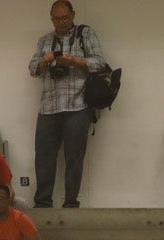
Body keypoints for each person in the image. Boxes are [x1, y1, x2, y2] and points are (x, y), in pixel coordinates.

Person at [28, 1, 108, 210]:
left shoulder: (85, 34)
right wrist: (45, 61)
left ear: (73, 15)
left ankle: (71, 202)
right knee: (43, 156)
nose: (60, 22)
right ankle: (42, 202)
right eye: (56, 18)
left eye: (64, 18)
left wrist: (73, 61)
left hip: (78, 105)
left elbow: (100, 62)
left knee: (74, 157)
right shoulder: (45, 40)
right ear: (51, 17)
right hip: (49, 107)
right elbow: (32, 69)